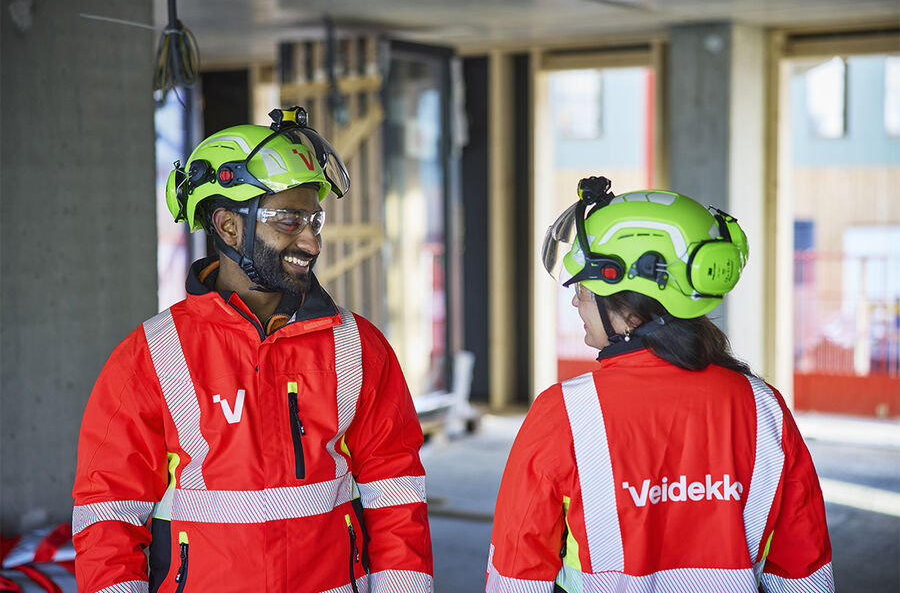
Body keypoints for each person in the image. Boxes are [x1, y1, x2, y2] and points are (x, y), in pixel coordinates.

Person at [72, 107, 433, 592]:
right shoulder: (151, 355)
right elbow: (107, 517)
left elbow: (397, 496)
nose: (311, 240)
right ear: (228, 227)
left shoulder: (358, 346)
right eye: (288, 219)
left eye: (314, 219)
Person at [486, 177, 833, 592]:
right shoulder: (763, 409)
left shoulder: (563, 413)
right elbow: (804, 574)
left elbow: (515, 575)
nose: (576, 300)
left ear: (631, 307)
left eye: (584, 285)